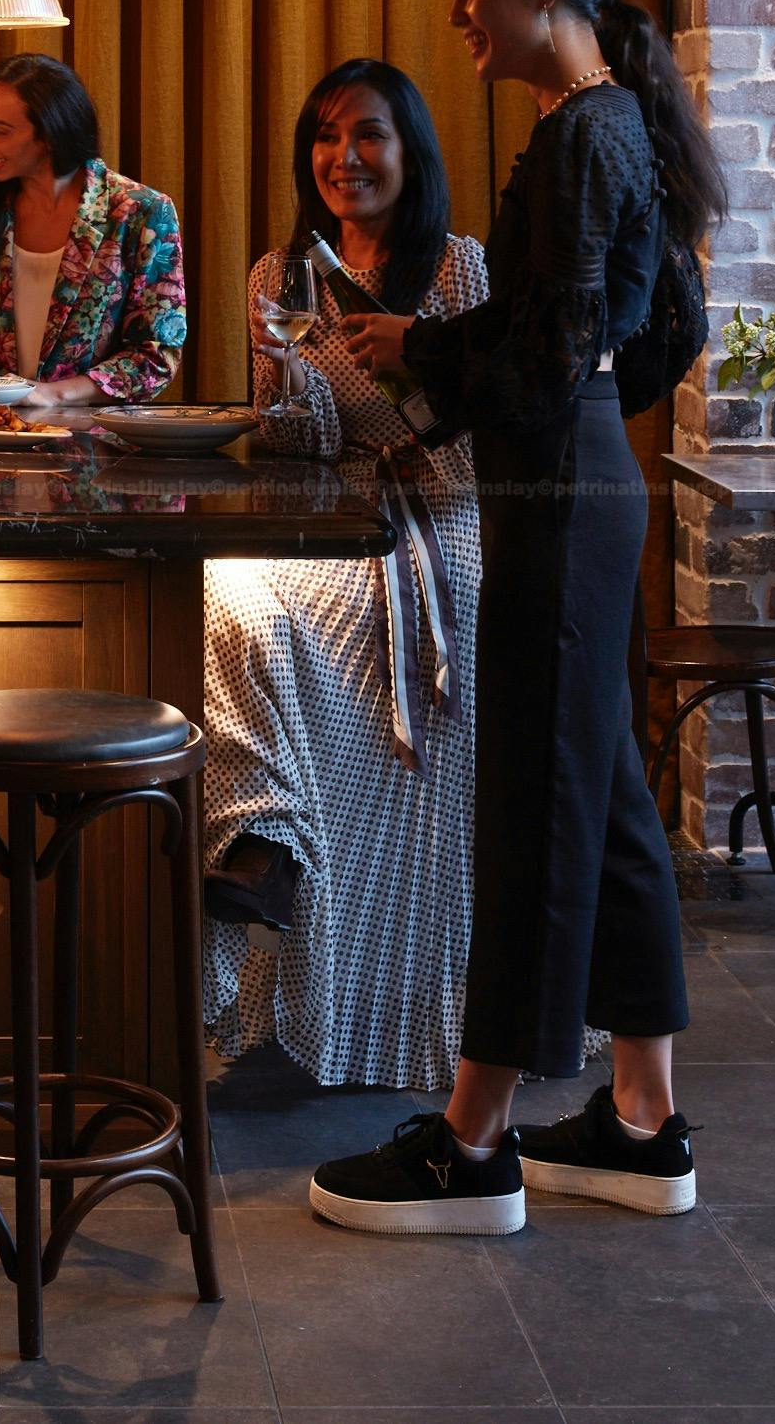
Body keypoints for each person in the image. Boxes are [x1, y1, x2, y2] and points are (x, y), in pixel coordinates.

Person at [310, 0, 726, 1235]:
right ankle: (639, 1117)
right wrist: (574, 400)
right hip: (580, 476)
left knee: (533, 816)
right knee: (600, 801)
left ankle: (470, 1139)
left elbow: (556, 348)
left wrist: (416, 350)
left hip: (556, 490)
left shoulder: (582, 135)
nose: (455, 9)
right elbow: (653, 331)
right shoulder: (598, 125)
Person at [203, 60, 485, 1092]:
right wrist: (284, 407)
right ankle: (266, 836)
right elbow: (292, 444)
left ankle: (273, 864)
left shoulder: (458, 271)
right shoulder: (279, 277)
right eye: (325, 136)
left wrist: (407, 368)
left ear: (409, 151)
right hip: (332, 514)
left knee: (250, 598)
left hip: (445, 512)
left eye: (368, 135)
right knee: (222, 591)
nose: (344, 157)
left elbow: (477, 420)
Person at [0, 53, 186, 406]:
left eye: (0, 130)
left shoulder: (140, 212)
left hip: (96, 443)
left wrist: (55, 394)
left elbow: (157, 357)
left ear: (50, 133)